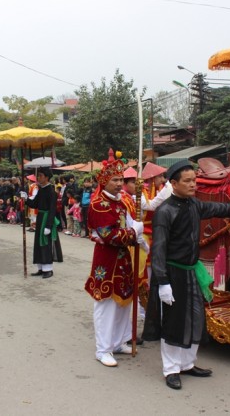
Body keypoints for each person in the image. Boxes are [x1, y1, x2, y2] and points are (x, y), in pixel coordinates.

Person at [142, 160, 230, 390]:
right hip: (172, 274)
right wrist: (162, 282)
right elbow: (159, 250)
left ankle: (187, 363)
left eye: (194, 180)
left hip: (192, 272)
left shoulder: (195, 204)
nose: (193, 184)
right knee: (173, 321)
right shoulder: (164, 212)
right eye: (187, 181)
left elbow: (219, 209)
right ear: (173, 183)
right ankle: (171, 369)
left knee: (195, 317)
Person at [84, 154, 144, 367]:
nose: (119, 184)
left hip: (124, 259)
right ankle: (103, 349)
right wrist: (133, 232)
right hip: (107, 261)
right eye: (115, 180)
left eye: (121, 179)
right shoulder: (99, 205)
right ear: (104, 182)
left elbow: (129, 226)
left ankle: (118, 342)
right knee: (106, 305)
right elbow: (110, 236)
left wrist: (138, 234)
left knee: (124, 304)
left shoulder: (123, 202)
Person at [23, 167, 63, 278]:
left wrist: (49, 226)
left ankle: (48, 269)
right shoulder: (41, 189)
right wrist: (26, 199)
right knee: (38, 243)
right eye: (38, 175)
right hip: (40, 217)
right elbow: (34, 204)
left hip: (46, 219)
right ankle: (40, 267)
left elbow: (52, 210)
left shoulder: (51, 191)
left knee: (45, 243)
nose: (38, 178)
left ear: (46, 177)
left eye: (40, 175)